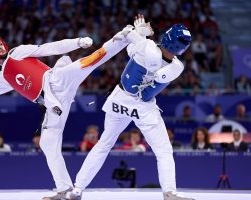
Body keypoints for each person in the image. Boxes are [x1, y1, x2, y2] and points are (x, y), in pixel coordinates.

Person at [0, 26, 132, 199]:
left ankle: (124, 36)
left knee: (91, 60)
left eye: (0, 43)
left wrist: (77, 42)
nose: (0, 46)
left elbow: (50, 47)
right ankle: (64, 189)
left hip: (57, 81)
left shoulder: (18, 52)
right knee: (47, 143)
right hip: (52, 105)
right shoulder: (4, 76)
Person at [68, 15, 194, 200]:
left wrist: (139, 34)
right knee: (163, 150)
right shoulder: (175, 66)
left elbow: (127, 41)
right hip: (141, 106)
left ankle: (77, 189)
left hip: (120, 99)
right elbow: (148, 87)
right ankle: (169, 193)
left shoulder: (152, 50)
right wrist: (138, 36)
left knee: (104, 144)